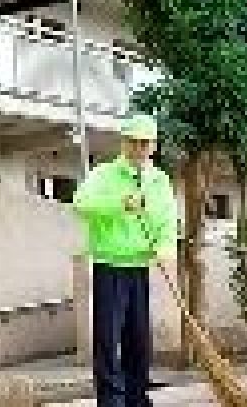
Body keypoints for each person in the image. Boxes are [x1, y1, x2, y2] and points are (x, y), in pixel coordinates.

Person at [72, 114, 179, 407]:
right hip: (110, 266)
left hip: (140, 267)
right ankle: (111, 401)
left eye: (146, 143)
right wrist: (120, 204)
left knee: (139, 341)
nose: (139, 148)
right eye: (134, 142)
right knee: (108, 340)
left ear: (153, 146)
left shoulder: (159, 180)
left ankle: (136, 398)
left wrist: (165, 250)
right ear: (124, 143)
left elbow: (168, 220)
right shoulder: (104, 174)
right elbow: (80, 204)